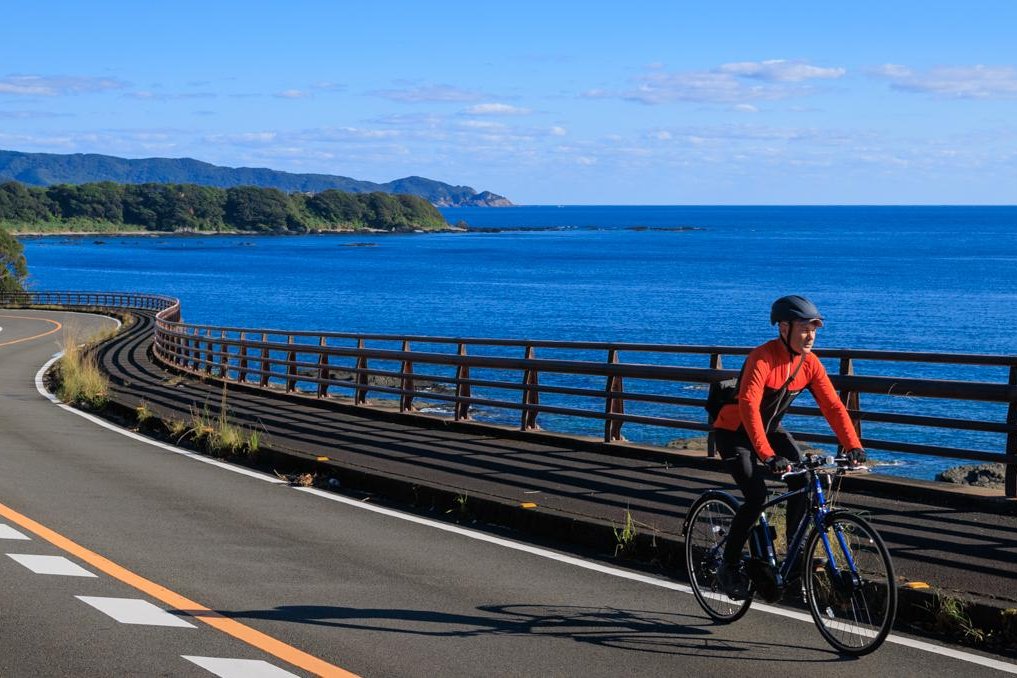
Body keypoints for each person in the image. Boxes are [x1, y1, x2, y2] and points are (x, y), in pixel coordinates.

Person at [711, 295, 866, 599]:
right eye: (805, 328)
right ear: (784, 328)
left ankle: (792, 559)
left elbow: (833, 406)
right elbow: (750, 408)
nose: (811, 336)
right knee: (756, 497)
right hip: (734, 433)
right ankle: (727, 566)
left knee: (805, 479)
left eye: (815, 329)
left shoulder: (810, 363)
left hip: (769, 430)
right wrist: (767, 455)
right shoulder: (762, 358)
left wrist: (852, 445)